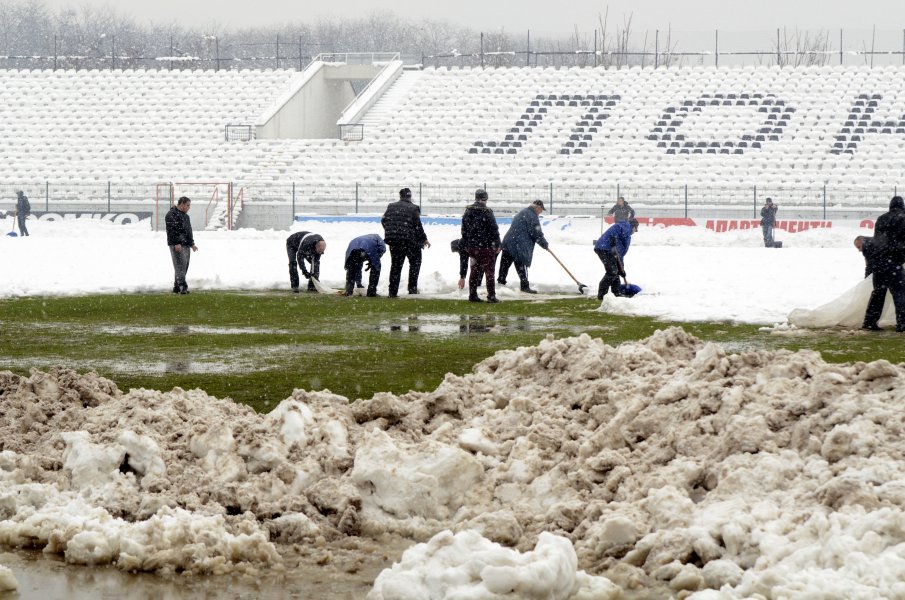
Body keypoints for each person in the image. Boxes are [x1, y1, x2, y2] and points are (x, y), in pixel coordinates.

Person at [862, 196, 905, 331]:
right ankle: (902, 324)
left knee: (878, 294)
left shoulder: (881, 219)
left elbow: (877, 240)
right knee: (900, 293)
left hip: (879, 261)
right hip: (894, 261)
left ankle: (870, 322)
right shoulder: (903, 217)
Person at [382, 187, 430, 297]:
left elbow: (383, 220)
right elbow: (418, 226)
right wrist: (424, 239)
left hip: (394, 241)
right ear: (409, 196)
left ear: (400, 196)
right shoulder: (414, 208)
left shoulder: (391, 206)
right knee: (415, 263)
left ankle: (392, 291)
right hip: (409, 241)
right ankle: (412, 289)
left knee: (396, 266)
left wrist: (392, 232)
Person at [498, 200, 549, 293]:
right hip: (519, 244)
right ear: (537, 207)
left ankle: (500, 283)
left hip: (508, 242)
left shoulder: (523, 212)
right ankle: (525, 286)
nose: (541, 212)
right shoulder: (532, 216)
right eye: (541, 209)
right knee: (521, 264)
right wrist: (545, 244)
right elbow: (537, 234)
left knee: (505, 264)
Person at [461, 188, 501, 303]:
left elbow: (464, 230)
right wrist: (497, 243)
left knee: (474, 271)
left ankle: (472, 295)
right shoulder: (487, 212)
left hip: (472, 247)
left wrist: (467, 243)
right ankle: (491, 296)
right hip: (486, 247)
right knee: (489, 271)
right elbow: (494, 229)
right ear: (485, 198)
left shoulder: (468, 211)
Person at [594, 217, 639, 300]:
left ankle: (617, 292)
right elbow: (620, 252)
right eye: (636, 229)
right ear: (633, 227)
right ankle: (602, 295)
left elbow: (620, 253)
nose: (634, 232)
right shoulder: (626, 229)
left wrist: (621, 269)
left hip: (604, 248)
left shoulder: (621, 226)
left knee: (615, 271)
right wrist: (621, 268)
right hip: (606, 249)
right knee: (612, 272)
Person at [164, 196, 198, 294]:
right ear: (182, 204)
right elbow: (171, 230)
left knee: (184, 266)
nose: (189, 207)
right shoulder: (171, 214)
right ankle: (183, 286)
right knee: (179, 266)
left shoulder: (186, 216)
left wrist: (192, 244)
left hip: (186, 244)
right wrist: (176, 243)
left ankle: (177, 287)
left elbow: (189, 231)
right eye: (188, 205)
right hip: (177, 244)